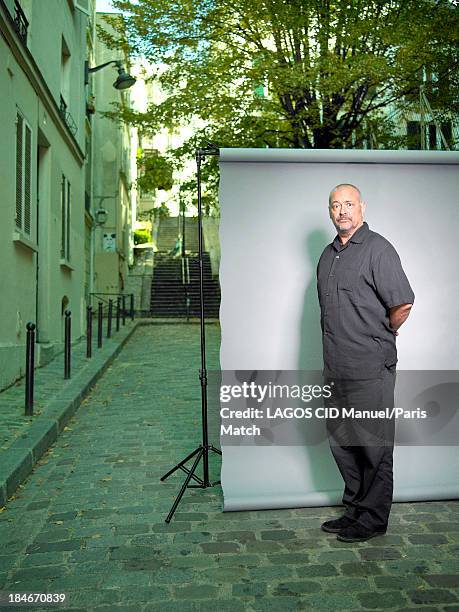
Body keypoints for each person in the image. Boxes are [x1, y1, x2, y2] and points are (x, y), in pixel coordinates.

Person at [316, 183, 414, 543]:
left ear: (362, 208)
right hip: (336, 367)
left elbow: (401, 304)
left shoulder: (378, 249)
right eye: (335, 205)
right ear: (330, 211)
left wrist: (380, 335)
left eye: (349, 204)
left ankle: (373, 518)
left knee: (372, 444)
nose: (342, 211)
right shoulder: (328, 255)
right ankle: (355, 509)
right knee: (343, 442)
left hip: (370, 367)